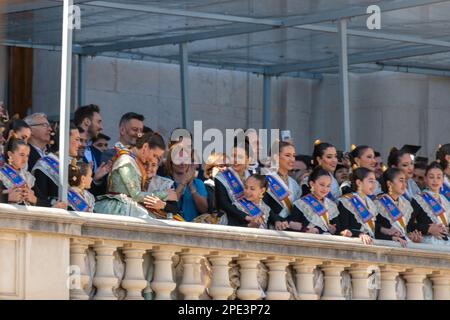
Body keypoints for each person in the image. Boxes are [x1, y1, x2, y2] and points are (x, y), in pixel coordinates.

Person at [94, 132, 166, 219]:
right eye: (154, 155)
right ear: (145, 147)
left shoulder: (134, 160)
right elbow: (136, 195)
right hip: (119, 210)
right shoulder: (126, 161)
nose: (153, 159)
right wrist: (165, 194)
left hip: (129, 207)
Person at [32, 123, 81, 208]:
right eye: (77, 139)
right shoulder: (44, 165)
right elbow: (40, 198)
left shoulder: (74, 164)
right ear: (65, 140)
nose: (80, 144)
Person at [374, 168, 423, 247]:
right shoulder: (378, 203)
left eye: (405, 181)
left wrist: (413, 237)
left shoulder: (407, 205)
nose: (405, 185)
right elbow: (374, 228)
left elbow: (407, 230)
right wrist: (390, 235)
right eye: (401, 181)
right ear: (389, 183)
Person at [288, 167, 340, 234]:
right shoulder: (301, 204)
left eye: (328, 186)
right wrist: (305, 229)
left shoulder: (332, 205)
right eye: (322, 185)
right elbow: (290, 225)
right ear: (312, 184)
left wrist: (334, 229)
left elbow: (338, 228)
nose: (325, 189)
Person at [165, 143, 208, 222]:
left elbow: (204, 209)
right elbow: (170, 206)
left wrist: (191, 185)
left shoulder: (198, 183)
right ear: (171, 161)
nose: (182, 163)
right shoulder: (164, 181)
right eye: (178, 159)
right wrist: (183, 182)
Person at [263, 141, 301, 230]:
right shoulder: (265, 178)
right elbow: (262, 205)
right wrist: (276, 219)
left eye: (293, 156)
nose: (292, 159)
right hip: (272, 227)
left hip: (291, 228)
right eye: (287, 155)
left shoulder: (294, 183)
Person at [410, 162, 450, 245]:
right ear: (425, 178)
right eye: (431, 177)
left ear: (443, 180)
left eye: (439, 177)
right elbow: (408, 225)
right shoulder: (418, 199)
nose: (435, 180)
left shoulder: (446, 201)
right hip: (427, 243)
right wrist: (428, 229)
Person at [215, 138, 252, 226]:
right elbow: (224, 204)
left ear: (248, 159)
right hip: (231, 221)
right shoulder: (221, 177)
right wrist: (245, 217)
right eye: (233, 156)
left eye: (240, 157)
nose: (235, 160)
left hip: (252, 218)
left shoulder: (252, 176)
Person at [337, 167, 378, 245]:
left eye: (374, 182)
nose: (374, 185)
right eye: (370, 181)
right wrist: (359, 234)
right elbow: (343, 228)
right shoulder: (346, 201)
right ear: (359, 183)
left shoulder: (371, 203)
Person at [0, 137, 38, 205]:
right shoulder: (1, 174)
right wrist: (7, 197)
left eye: (27, 156)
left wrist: (34, 199)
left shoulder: (29, 177)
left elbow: (42, 200)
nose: (25, 160)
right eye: (22, 155)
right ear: (10, 154)